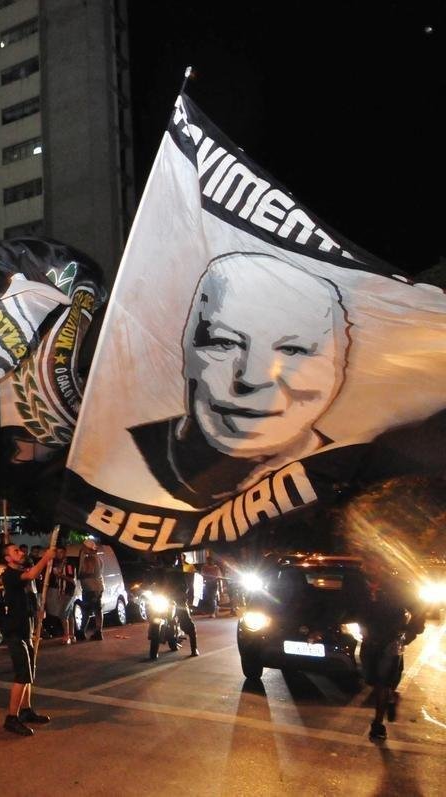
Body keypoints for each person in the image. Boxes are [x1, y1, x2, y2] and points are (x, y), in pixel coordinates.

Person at [129, 253, 349, 509]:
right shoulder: (119, 455)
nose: (251, 378)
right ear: (187, 352)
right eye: (224, 343)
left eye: (293, 350)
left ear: (338, 369)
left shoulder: (356, 476)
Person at [355, 556, 424, 741]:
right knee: (370, 678)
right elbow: (352, 608)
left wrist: (410, 633)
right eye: (365, 563)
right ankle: (391, 698)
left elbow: (418, 608)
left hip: (391, 640)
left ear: (381, 565)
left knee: (382, 682)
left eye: (372, 562)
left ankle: (378, 724)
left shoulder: (397, 586)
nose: (367, 566)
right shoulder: (360, 586)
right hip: (369, 640)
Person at [0, 543, 54, 736]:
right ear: (7, 558)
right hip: (14, 631)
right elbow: (31, 576)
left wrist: (38, 610)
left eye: (20, 550)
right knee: (22, 674)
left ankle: (26, 710)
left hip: (25, 629)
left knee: (29, 672)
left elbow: (28, 595)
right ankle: (11, 718)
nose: (21, 552)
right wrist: (46, 558)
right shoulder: (10, 575)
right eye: (16, 551)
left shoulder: (21, 573)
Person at [153, 553, 198, 656]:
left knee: (187, 623)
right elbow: (151, 580)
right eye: (167, 555)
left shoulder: (185, 567)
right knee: (154, 613)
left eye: (172, 555)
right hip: (164, 597)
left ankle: (194, 648)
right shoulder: (159, 568)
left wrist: (186, 593)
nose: (169, 557)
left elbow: (190, 583)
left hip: (179, 598)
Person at [76, 539, 105, 641]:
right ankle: (98, 631)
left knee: (86, 610)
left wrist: (78, 575)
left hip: (90, 588)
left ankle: (83, 631)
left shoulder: (90, 558)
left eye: (83, 547)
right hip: (98, 586)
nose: (82, 548)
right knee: (97, 609)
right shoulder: (98, 557)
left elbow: (88, 571)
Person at [48, 547, 78, 645]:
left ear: (64, 553)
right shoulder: (57, 564)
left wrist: (59, 575)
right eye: (57, 552)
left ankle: (66, 635)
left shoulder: (68, 564)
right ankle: (72, 635)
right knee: (69, 614)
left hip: (69, 591)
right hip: (63, 591)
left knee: (62, 613)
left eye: (60, 552)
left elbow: (71, 579)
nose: (58, 554)